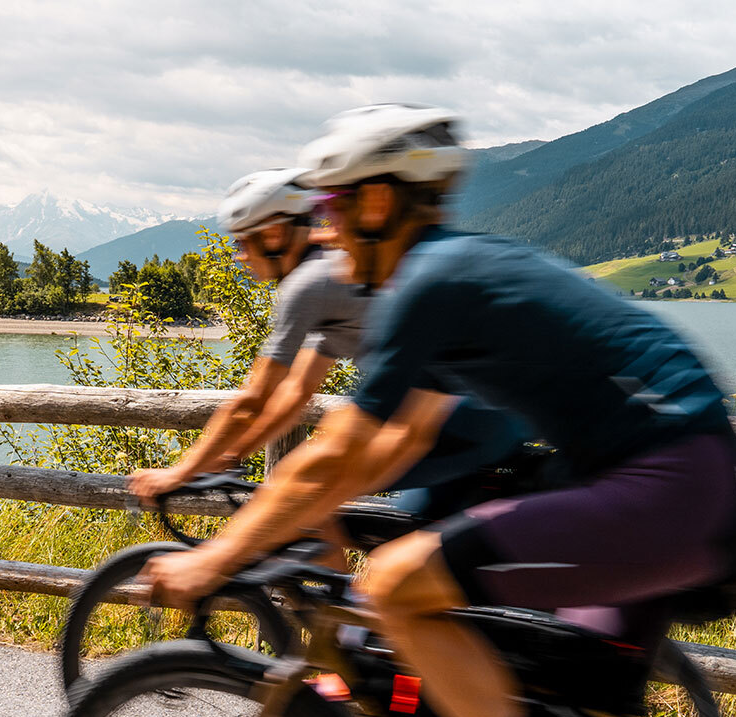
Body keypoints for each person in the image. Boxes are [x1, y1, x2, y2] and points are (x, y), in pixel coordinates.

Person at [141, 104, 736, 717]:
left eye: (332, 207)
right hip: (691, 481)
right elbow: (394, 444)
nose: (324, 229)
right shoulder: (459, 270)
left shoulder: (426, 284)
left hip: (662, 491)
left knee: (395, 583)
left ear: (377, 202)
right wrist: (297, 511)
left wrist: (216, 557)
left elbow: (337, 451)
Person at [127, 168, 519, 515]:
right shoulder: (330, 273)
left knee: (303, 496)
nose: (239, 256)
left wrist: (179, 472)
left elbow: (253, 399)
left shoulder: (308, 284)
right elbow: (297, 390)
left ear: (274, 234)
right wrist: (232, 454)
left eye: (243, 242)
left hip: (457, 422)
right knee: (311, 501)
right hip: (463, 415)